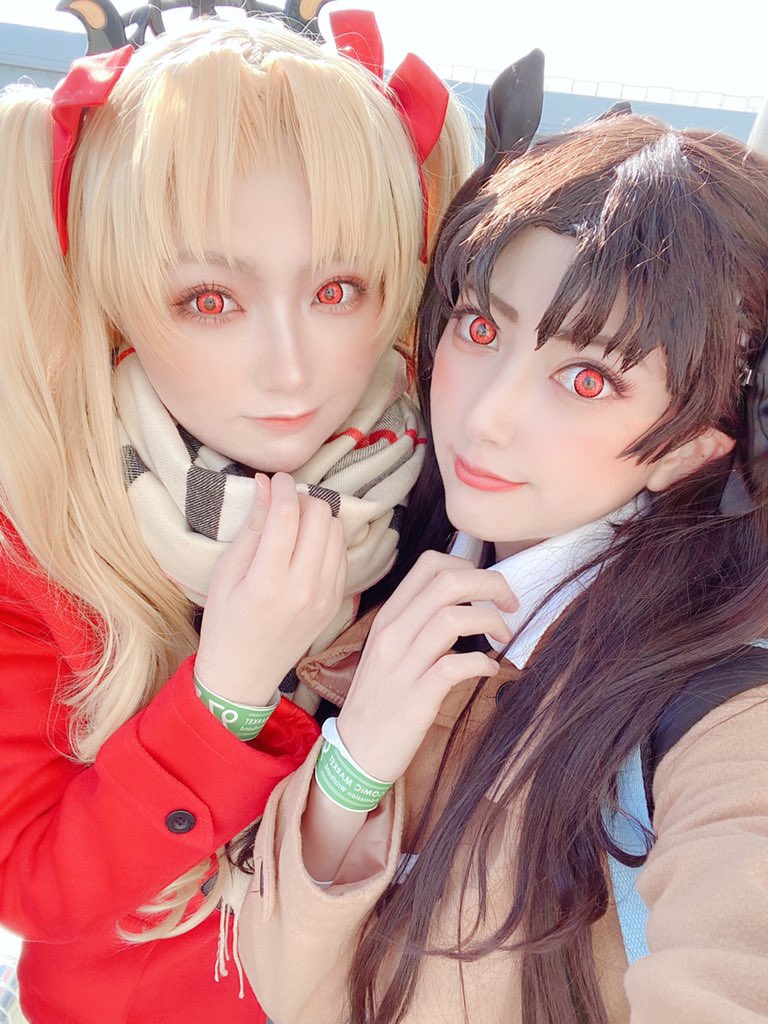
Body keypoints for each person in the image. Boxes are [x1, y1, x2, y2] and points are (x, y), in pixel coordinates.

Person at [238, 113, 768, 1024]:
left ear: (694, 447)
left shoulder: (718, 708)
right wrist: (355, 759)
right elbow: (288, 989)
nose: (486, 416)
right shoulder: (392, 567)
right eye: (482, 327)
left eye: (588, 379)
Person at [0, 11, 470, 1024]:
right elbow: (28, 878)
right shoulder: (37, 536)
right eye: (211, 300)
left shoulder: (461, 489)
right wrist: (226, 693)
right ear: (117, 297)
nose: (291, 370)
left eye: (339, 288)